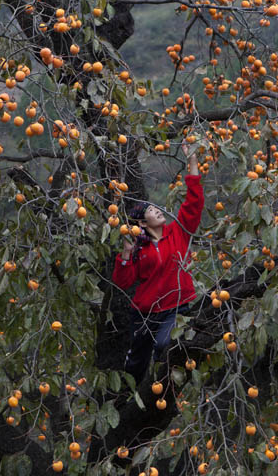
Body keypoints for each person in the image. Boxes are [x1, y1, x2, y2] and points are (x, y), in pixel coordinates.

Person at [112, 145, 204, 383]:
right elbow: (123, 281)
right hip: (145, 313)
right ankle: (127, 396)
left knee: (165, 344)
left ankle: (161, 386)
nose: (159, 210)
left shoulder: (178, 232)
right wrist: (125, 253)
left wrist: (192, 160)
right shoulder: (138, 249)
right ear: (141, 224)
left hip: (176, 307)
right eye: (152, 211)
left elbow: (194, 203)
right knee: (135, 363)